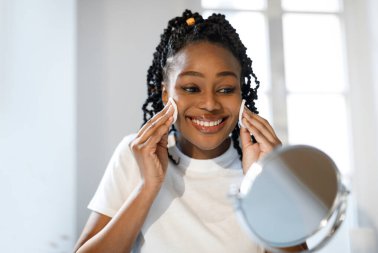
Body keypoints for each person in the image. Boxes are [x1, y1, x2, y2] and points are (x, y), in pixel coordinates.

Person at [74, 9, 285, 253]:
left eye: (226, 89)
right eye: (192, 88)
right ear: (166, 95)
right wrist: (148, 187)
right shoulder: (137, 155)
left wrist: (267, 184)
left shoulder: (262, 164)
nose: (210, 104)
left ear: (242, 94)